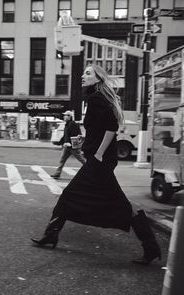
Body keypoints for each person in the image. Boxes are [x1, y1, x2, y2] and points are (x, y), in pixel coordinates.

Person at [31, 64, 161, 265]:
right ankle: (151, 248)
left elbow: (112, 127)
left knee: (72, 195)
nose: (83, 75)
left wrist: (98, 153)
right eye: (83, 72)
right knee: (118, 203)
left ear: (98, 78)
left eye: (88, 73)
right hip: (98, 161)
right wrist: (87, 143)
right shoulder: (96, 98)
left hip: (98, 162)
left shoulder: (96, 99)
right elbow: (101, 128)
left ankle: (51, 234)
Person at [50, 110, 86, 179]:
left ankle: (92, 170)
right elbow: (66, 135)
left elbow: (76, 134)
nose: (64, 116)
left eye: (65, 115)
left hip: (72, 147)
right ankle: (57, 173)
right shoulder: (67, 124)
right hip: (67, 146)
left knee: (81, 159)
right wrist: (62, 142)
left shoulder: (72, 124)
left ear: (69, 117)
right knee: (62, 160)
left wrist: (70, 143)